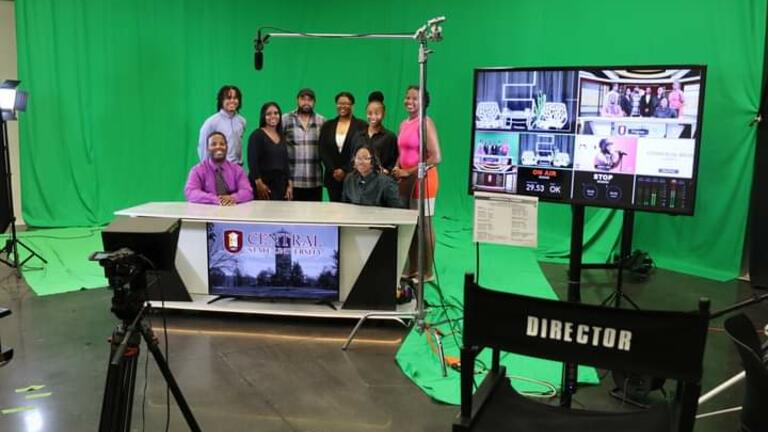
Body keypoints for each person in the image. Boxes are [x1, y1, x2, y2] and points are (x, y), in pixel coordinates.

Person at [392, 85, 442, 282]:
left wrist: (409, 171)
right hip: (406, 181)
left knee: (425, 225)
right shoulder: (404, 123)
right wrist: (397, 167)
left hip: (424, 182)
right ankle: (412, 268)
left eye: (415, 98)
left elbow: (436, 157)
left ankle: (427, 272)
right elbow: (402, 152)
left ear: (424, 102)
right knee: (411, 225)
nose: (409, 101)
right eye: (407, 97)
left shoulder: (426, 123)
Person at [318, 92, 367, 202]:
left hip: (354, 176)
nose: (342, 106)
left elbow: (362, 151)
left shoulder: (361, 126)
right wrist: (333, 170)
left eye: (346, 103)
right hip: (332, 177)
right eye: (339, 103)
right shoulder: (328, 125)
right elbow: (322, 150)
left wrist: (345, 170)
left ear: (352, 105)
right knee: (334, 212)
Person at [185, 132, 253, 205]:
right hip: (206, 213)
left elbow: (247, 191)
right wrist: (216, 199)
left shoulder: (237, 170)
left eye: (222, 144)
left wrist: (233, 198)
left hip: (233, 211)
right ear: (207, 148)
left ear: (227, 147)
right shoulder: (197, 171)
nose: (218, 147)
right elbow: (191, 192)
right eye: (213, 144)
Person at [282, 88, 326, 201]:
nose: (306, 102)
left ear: (314, 102)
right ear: (297, 100)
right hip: (292, 181)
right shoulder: (286, 119)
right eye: (303, 99)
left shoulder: (322, 121)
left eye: (310, 99)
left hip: (315, 181)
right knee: (292, 217)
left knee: (314, 217)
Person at [247, 102, 292, 201]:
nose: (273, 116)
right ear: (263, 116)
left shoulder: (282, 136)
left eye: (276, 113)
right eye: (269, 114)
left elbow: (285, 162)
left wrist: (289, 184)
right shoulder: (257, 135)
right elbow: (252, 161)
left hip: (280, 186)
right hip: (263, 186)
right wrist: (259, 183)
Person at [351, 91, 399, 173]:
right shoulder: (358, 136)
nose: (373, 117)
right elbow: (352, 158)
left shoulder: (390, 137)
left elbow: (394, 161)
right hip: (359, 181)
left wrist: (387, 171)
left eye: (377, 113)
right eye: (370, 113)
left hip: (380, 181)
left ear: (383, 114)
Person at [198, 85, 246, 164]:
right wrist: (207, 168)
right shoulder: (211, 122)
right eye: (228, 98)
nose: (232, 101)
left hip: (237, 167)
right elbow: (203, 147)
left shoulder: (242, 121)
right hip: (219, 167)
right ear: (221, 101)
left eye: (235, 98)